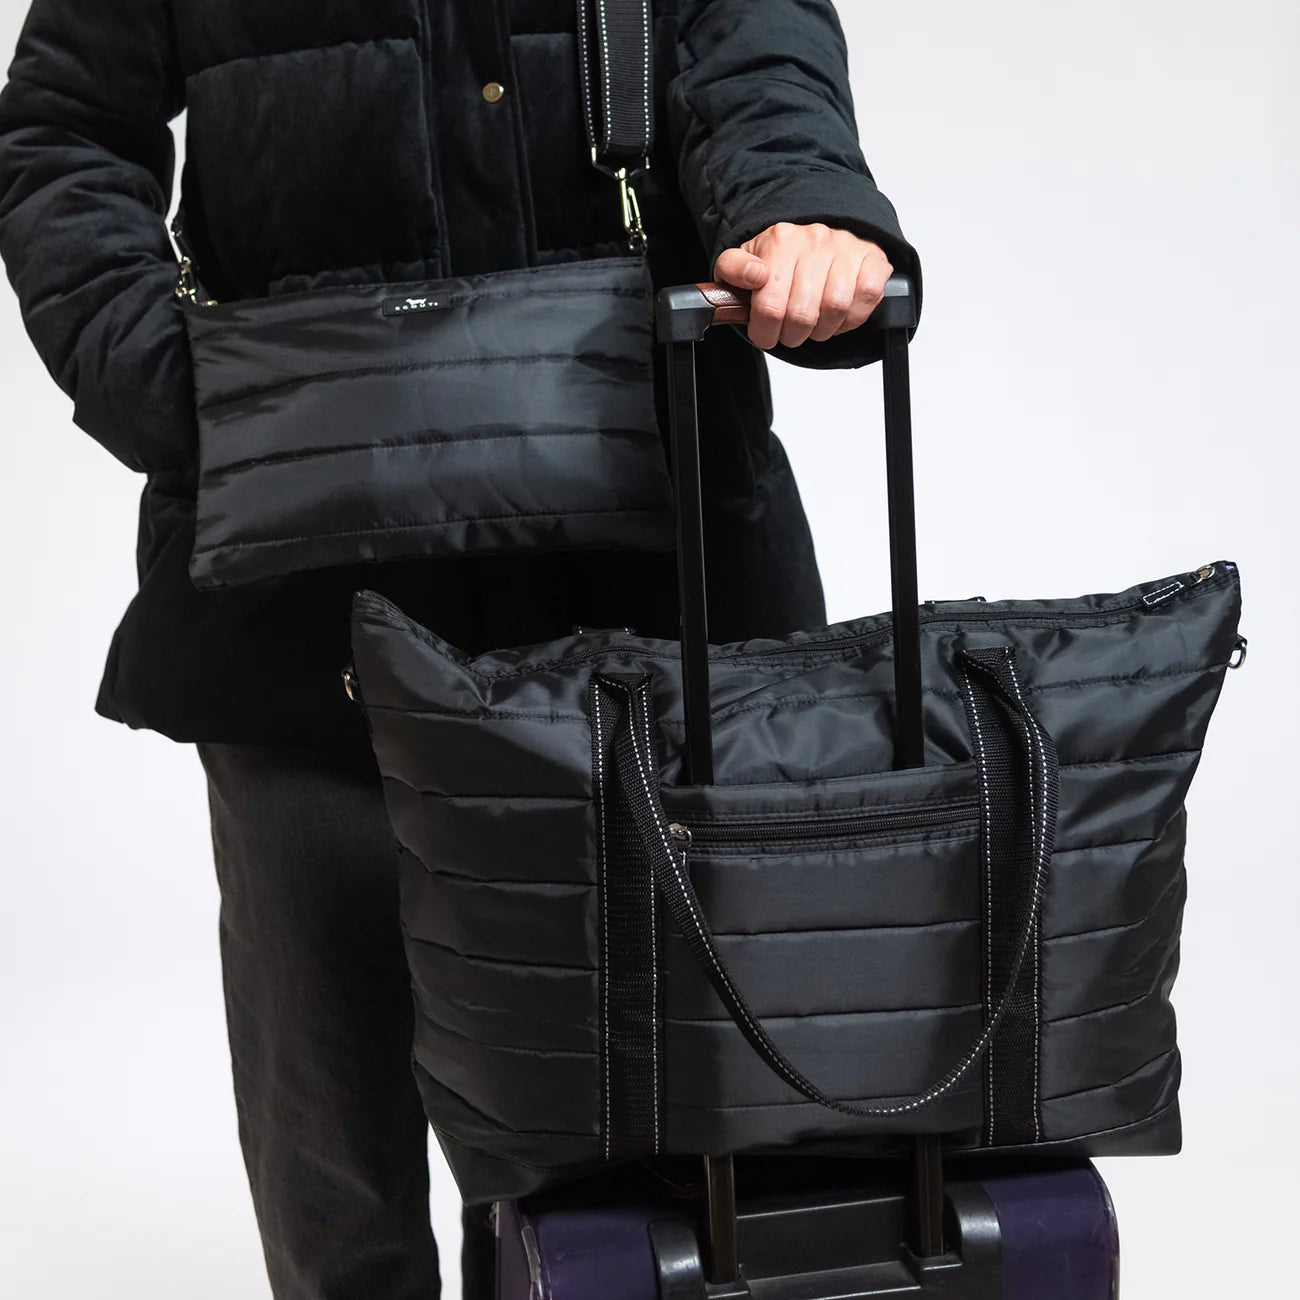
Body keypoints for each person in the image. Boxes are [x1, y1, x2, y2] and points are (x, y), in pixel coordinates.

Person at [0, 1, 921, 1296]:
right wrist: (168, 379)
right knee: (337, 1136)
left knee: (676, 1130)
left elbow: (749, 46)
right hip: (301, 585)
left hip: (652, 569)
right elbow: (64, 125)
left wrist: (803, 210)